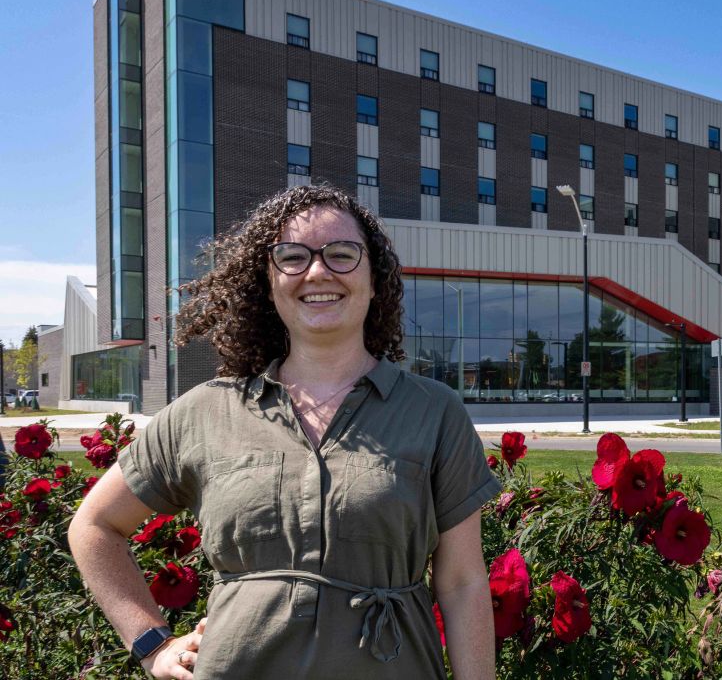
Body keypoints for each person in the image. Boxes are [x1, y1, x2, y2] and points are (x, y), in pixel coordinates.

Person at [68, 185, 500, 679]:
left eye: (342, 254)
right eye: (293, 257)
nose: (318, 272)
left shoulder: (434, 411)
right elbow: (93, 526)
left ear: (374, 279)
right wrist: (153, 644)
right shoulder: (205, 410)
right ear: (268, 283)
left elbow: (463, 583)